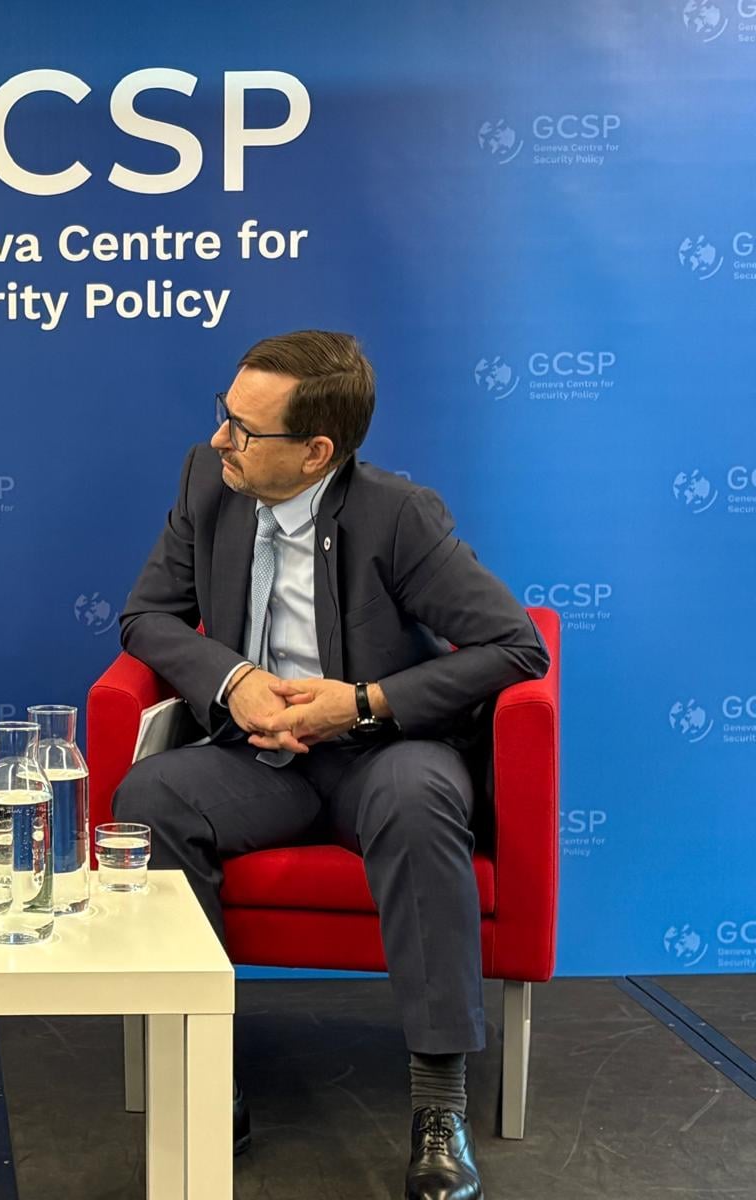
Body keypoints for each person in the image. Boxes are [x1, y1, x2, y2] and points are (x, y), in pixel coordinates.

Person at [113, 330, 548, 1200]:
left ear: (317, 452)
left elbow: (515, 645)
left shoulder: (398, 514)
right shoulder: (208, 483)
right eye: (224, 415)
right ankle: (204, 1074)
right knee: (150, 796)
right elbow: (147, 618)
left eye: (245, 429)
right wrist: (232, 681)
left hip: (384, 753)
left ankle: (439, 1104)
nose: (221, 439)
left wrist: (363, 701)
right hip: (256, 760)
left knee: (419, 799)